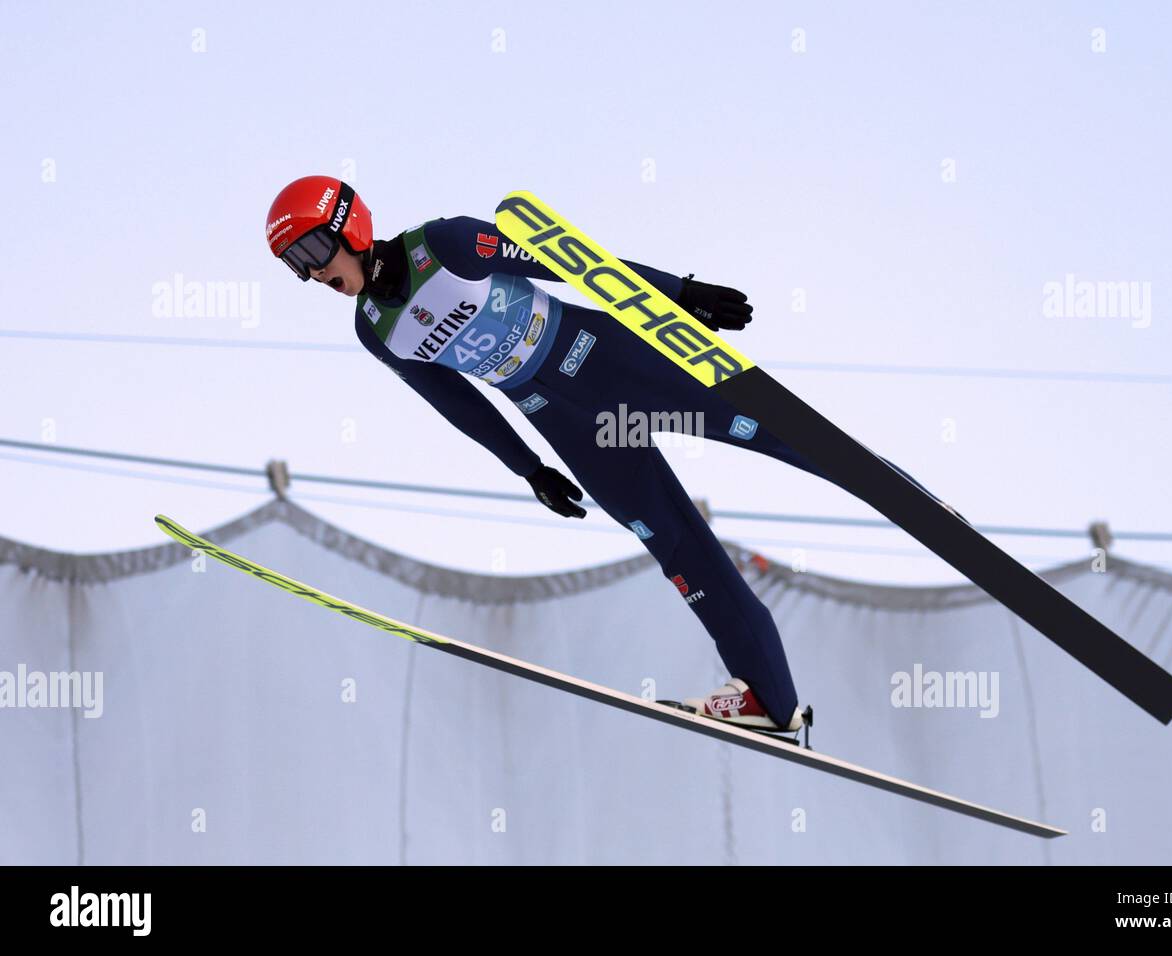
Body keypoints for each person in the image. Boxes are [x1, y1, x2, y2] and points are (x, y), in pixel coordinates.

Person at [267, 175, 836, 731]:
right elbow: (458, 402)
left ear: (351, 225)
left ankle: (902, 498)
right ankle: (767, 694)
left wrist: (679, 295)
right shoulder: (376, 330)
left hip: (609, 361)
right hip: (563, 419)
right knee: (675, 545)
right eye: (297, 264)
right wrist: (530, 469)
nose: (314, 271)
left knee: (777, 431)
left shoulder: (444, 244)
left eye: (314, 249)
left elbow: (573, 264)